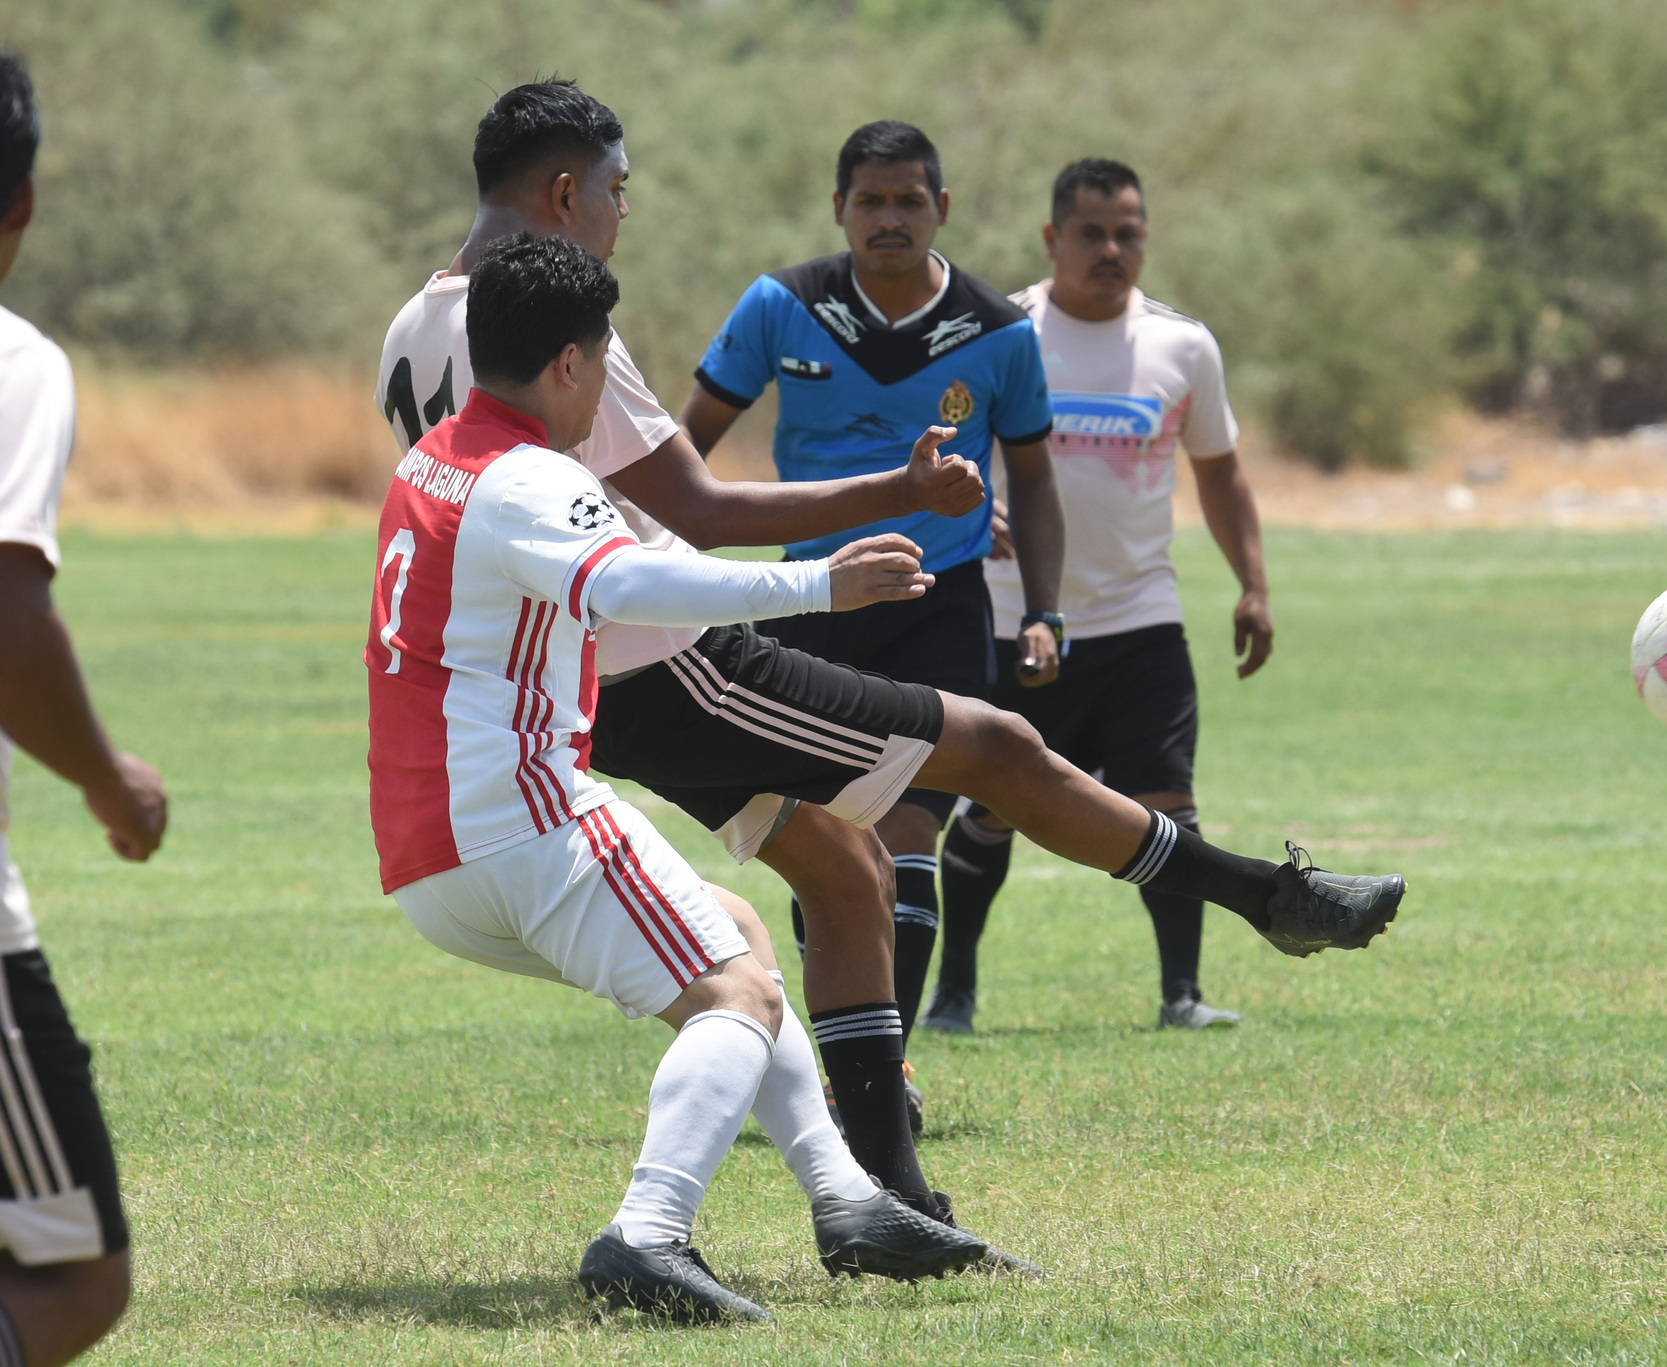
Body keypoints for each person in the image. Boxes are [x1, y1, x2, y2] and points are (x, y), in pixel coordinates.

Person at [376, 81, 984, 1222]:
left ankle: (854, 1203)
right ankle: (647, 1231)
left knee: (745, 935)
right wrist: (820, 579)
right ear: (567, 361)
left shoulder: (430, 463)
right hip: (519, 818)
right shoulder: (533, 477)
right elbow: (643, 574)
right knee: (737, 997)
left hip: (423, 835)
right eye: (606, 361)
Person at [677, 120, 1067, 1059]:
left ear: (942, 206)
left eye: (908, 200)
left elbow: (1037, 482)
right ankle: (848, 1058)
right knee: (823, 850)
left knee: (906, 841)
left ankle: (884, 1074)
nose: (889, 218)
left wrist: (1045, 610)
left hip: (939, 604)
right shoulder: (780, 305)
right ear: (839, 209)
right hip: (808, 603)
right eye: (870, 201)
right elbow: (684, 451)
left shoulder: (999, 332)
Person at [926, 158, 1273, 1035]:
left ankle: (1183, 994)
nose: (1111, 249)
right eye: (1091, 232)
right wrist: (977, 502)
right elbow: (939, 446)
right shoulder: (1002, 333)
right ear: (1052, 239)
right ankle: (954, 994)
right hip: (1010, 621)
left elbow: (1222, 473)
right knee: (993, 806)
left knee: (1169, 803)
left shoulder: (1182, 346)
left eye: (1128, 233)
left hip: (1140, 620)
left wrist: (1253, 585)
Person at [0, 52, 167, 1367]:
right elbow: (9, 618)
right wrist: (113, 783)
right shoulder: (16, 364)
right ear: (25, 204)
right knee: (77, 1269)